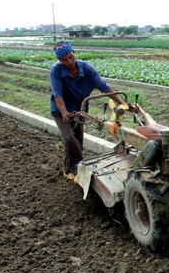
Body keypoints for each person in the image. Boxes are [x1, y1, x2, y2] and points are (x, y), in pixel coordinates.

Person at [50, 40, 125, 180]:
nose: (69, 61)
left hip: (80, 109)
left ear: (74, 53)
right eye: (64, 60)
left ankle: (69, 169)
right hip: (62, 111)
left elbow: (105, 88)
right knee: (69, 139)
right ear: (60, 60)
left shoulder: (87, 69)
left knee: (77, 140)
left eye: (71, 56)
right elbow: (57, 94)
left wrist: (123, 104)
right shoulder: (56, 70)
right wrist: (64, 113)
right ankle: (79, 168)